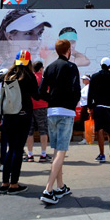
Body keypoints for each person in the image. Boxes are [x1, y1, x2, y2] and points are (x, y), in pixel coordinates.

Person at [38, 39, 81, 205]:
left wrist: (52, 99)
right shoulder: (71, 67)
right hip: (66, 112)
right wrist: (71, 103)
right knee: (61, 150)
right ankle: (48, 189)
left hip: (51, 112)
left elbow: (41, 92)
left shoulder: (49, 67)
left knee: (57, 151)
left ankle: (60, 186)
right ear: (68, 50)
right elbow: (76, 90)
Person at [0, 51, 40, 194]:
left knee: (11, 148)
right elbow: (36, 95)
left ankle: (4, 183)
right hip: (23, 115)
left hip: (8, 116)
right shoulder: (29, 76)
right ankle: (14, 184)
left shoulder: (8, 76)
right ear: (28, 62)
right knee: (17, 149)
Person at [87, 57, 110, 163]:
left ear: (100, 65)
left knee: (100, 130)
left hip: (98, 106)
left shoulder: (94, 76)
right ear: (109, 66)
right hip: (109, 107)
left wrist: (90, 107)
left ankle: (102, 154)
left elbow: (90, 93)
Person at [25, 60, 51, 162]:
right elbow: (48, 91)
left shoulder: (30, 78)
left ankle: (30, 155)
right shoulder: (43, 79)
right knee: (43, 131)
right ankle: (43, 155)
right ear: (41, 68)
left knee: (29, 132)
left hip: (30, 107)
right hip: (42, 107)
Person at [78, 74, 91, 145]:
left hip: (86, 106)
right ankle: (85, 138)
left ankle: (86, 138)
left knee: (85, 122)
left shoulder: (89, 87)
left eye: (84, 79)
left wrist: (79, 95)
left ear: (88, 79)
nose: (83, 80)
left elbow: (88, 96)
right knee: (84, 122)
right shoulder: (86, 87)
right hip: (84, 105)